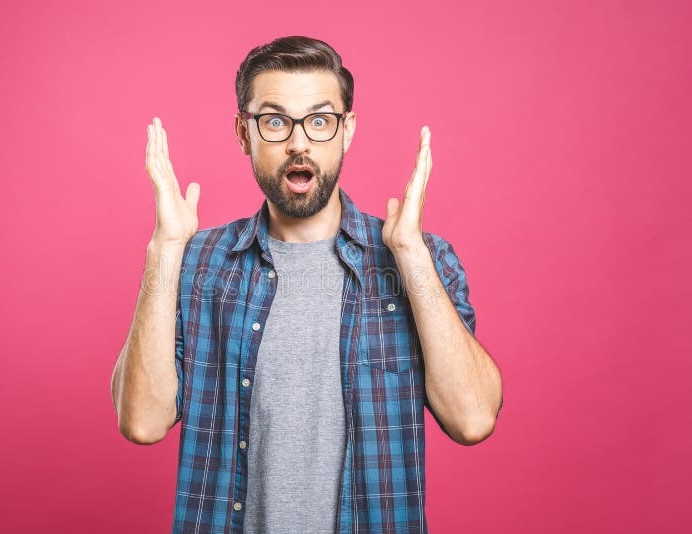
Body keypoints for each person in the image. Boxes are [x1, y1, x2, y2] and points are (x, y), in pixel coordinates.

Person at [111, 35, 503, 534]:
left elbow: (473, 420)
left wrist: (410, 256)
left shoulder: (421, 260)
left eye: (320, 121)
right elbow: (142, 422)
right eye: (275, 121)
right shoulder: (198, 264)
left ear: (348, 130)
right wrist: (164, 249)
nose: (299, 142)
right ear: (243, 132)